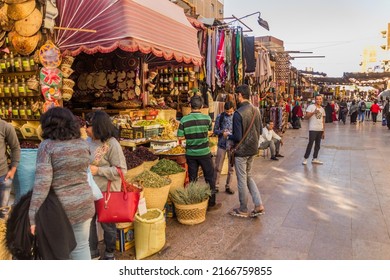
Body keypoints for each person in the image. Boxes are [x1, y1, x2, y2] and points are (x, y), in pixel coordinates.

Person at [28, 107, 94, 260]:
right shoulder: (83, 144)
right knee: (82, 246)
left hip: (60, 209)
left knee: (59, 252)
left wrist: (32, 215)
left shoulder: (47, 146)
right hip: (84, 202)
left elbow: (42, 184)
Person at [86, 110, 127, 260]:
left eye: (88, 125)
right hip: (90, 189)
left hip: (106, 192)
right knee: (89, 222)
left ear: (98, 126)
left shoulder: (112, 144)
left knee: (107, 224)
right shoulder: (88, 141)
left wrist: (98, 170)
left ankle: (109, 253)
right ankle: (92, 252)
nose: (85, 128)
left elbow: (121, 170)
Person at [223, 84, 265, 218]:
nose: (235, 97)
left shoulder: (238, 113)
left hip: (241, 151)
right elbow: (260, 130)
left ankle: (243, 208)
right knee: (249, 176)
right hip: (253, 149)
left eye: (236, 95)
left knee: (242, 179)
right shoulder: (256, 110)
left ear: (240, 95)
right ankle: (258, 204)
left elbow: (238, 137)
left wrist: (228, 135)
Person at [177, 95, 220, 210]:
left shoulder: (183, 120)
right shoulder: (207, 119)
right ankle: (211, 203)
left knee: (192, 179)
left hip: (191, 154)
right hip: (205, 153)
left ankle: (193, 202)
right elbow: (209, 132)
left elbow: (180, 137)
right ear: (201, 106)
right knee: (209, 177)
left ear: (190, 105)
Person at [213, 101, 235, 195]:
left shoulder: (236, 117)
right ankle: (216, 186)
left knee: (231, 168)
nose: (229, 113)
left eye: (230, 111)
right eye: (227, 111)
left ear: (233, 109)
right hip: (221, 144)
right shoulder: (220, 117)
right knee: (218, 167)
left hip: (232, 146)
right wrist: (222, 132)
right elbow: (215, 130)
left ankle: (228, 186)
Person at [0, 118, 20, 218]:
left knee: (3, 212)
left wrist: (13, 169)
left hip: (3, 177)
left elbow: (15, 147)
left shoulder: (5, 126)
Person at [302, 94, 326, 165]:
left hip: (320, 129)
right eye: (317, 99)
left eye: (320, 99)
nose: (319, 100)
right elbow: (306, 117)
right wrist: (313, 113)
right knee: (310, 143)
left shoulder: (322, 109)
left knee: (318, 145)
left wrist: (323, 131)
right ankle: (306, 158)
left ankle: (315, 158)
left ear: (322, 100)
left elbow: (323, 120)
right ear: (315, 100)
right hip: (313, 129)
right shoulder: (311, 107)